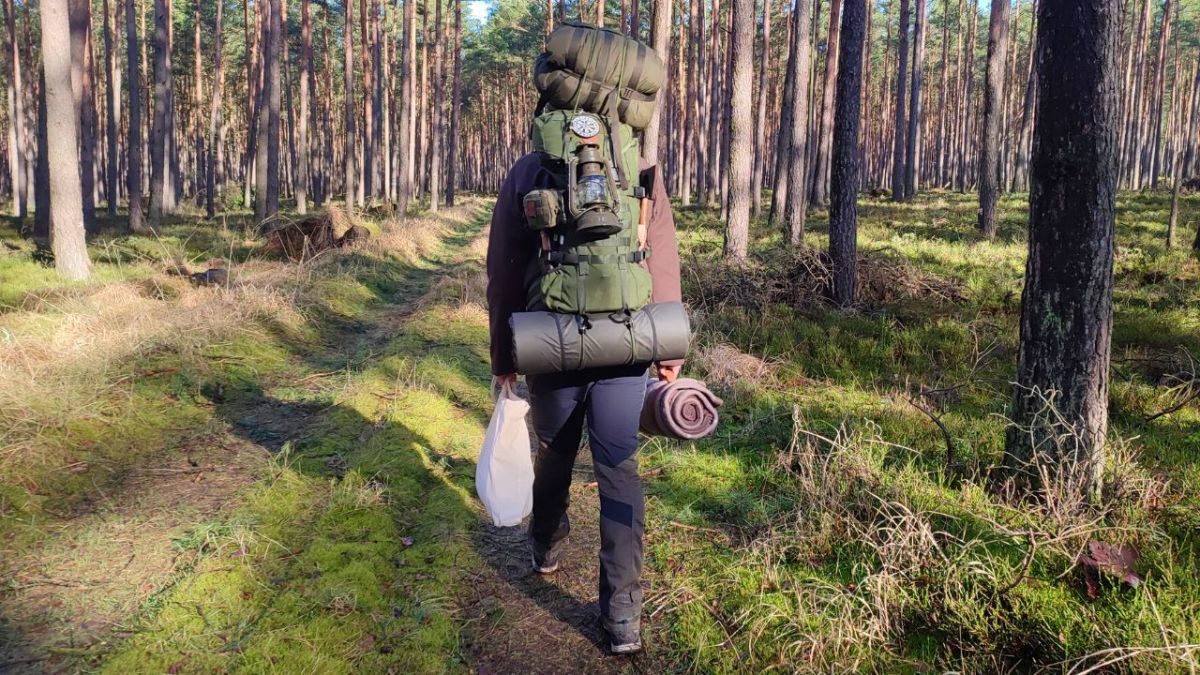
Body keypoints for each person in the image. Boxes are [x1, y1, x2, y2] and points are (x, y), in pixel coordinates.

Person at [486, 150, 684, 655]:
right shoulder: (638, 160)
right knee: (620, 468)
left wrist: (502, 354)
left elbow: (505, 266)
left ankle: (546, 543)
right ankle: (622, 616)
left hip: (549, 340)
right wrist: (669, 343)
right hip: (628, 341)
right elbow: (659, 251)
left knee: (554, 451)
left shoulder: (529, 168)